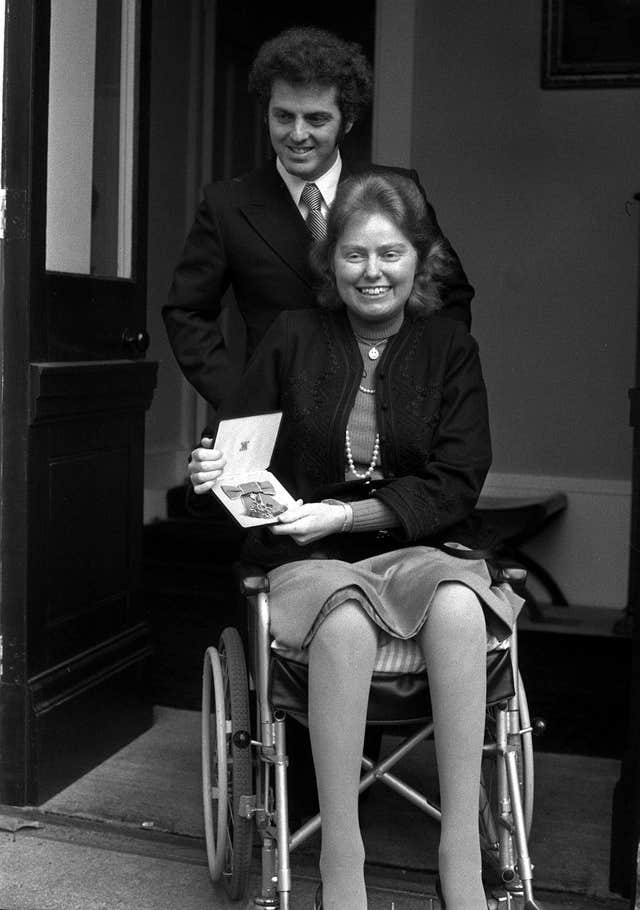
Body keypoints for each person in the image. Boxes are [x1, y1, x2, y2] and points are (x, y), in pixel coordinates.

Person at [188, 172, 522, 910]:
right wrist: (211, 469)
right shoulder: (292, 337)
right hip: (307, 554)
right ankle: (343, 865)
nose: (372, 272)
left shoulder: (450, 349)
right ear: (329, 263)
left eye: (390, 254)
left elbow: (456, 481)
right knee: (341, 623)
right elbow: (238, 457)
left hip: (415, 544)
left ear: (420, 260)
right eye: (354, 255)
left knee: (463, 608)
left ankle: (459, 856)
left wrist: (350, 517)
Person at [163, 25, 474, 409]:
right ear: (266, 114)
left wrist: (425, 379)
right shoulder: (228, 204)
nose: (297, 134)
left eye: (316, 119)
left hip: (386, 411)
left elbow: (451, 294)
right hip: (278, 415)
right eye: (283, 116)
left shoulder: (395, 190)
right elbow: (186, 312)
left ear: (347, 120)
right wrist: (241, 398)